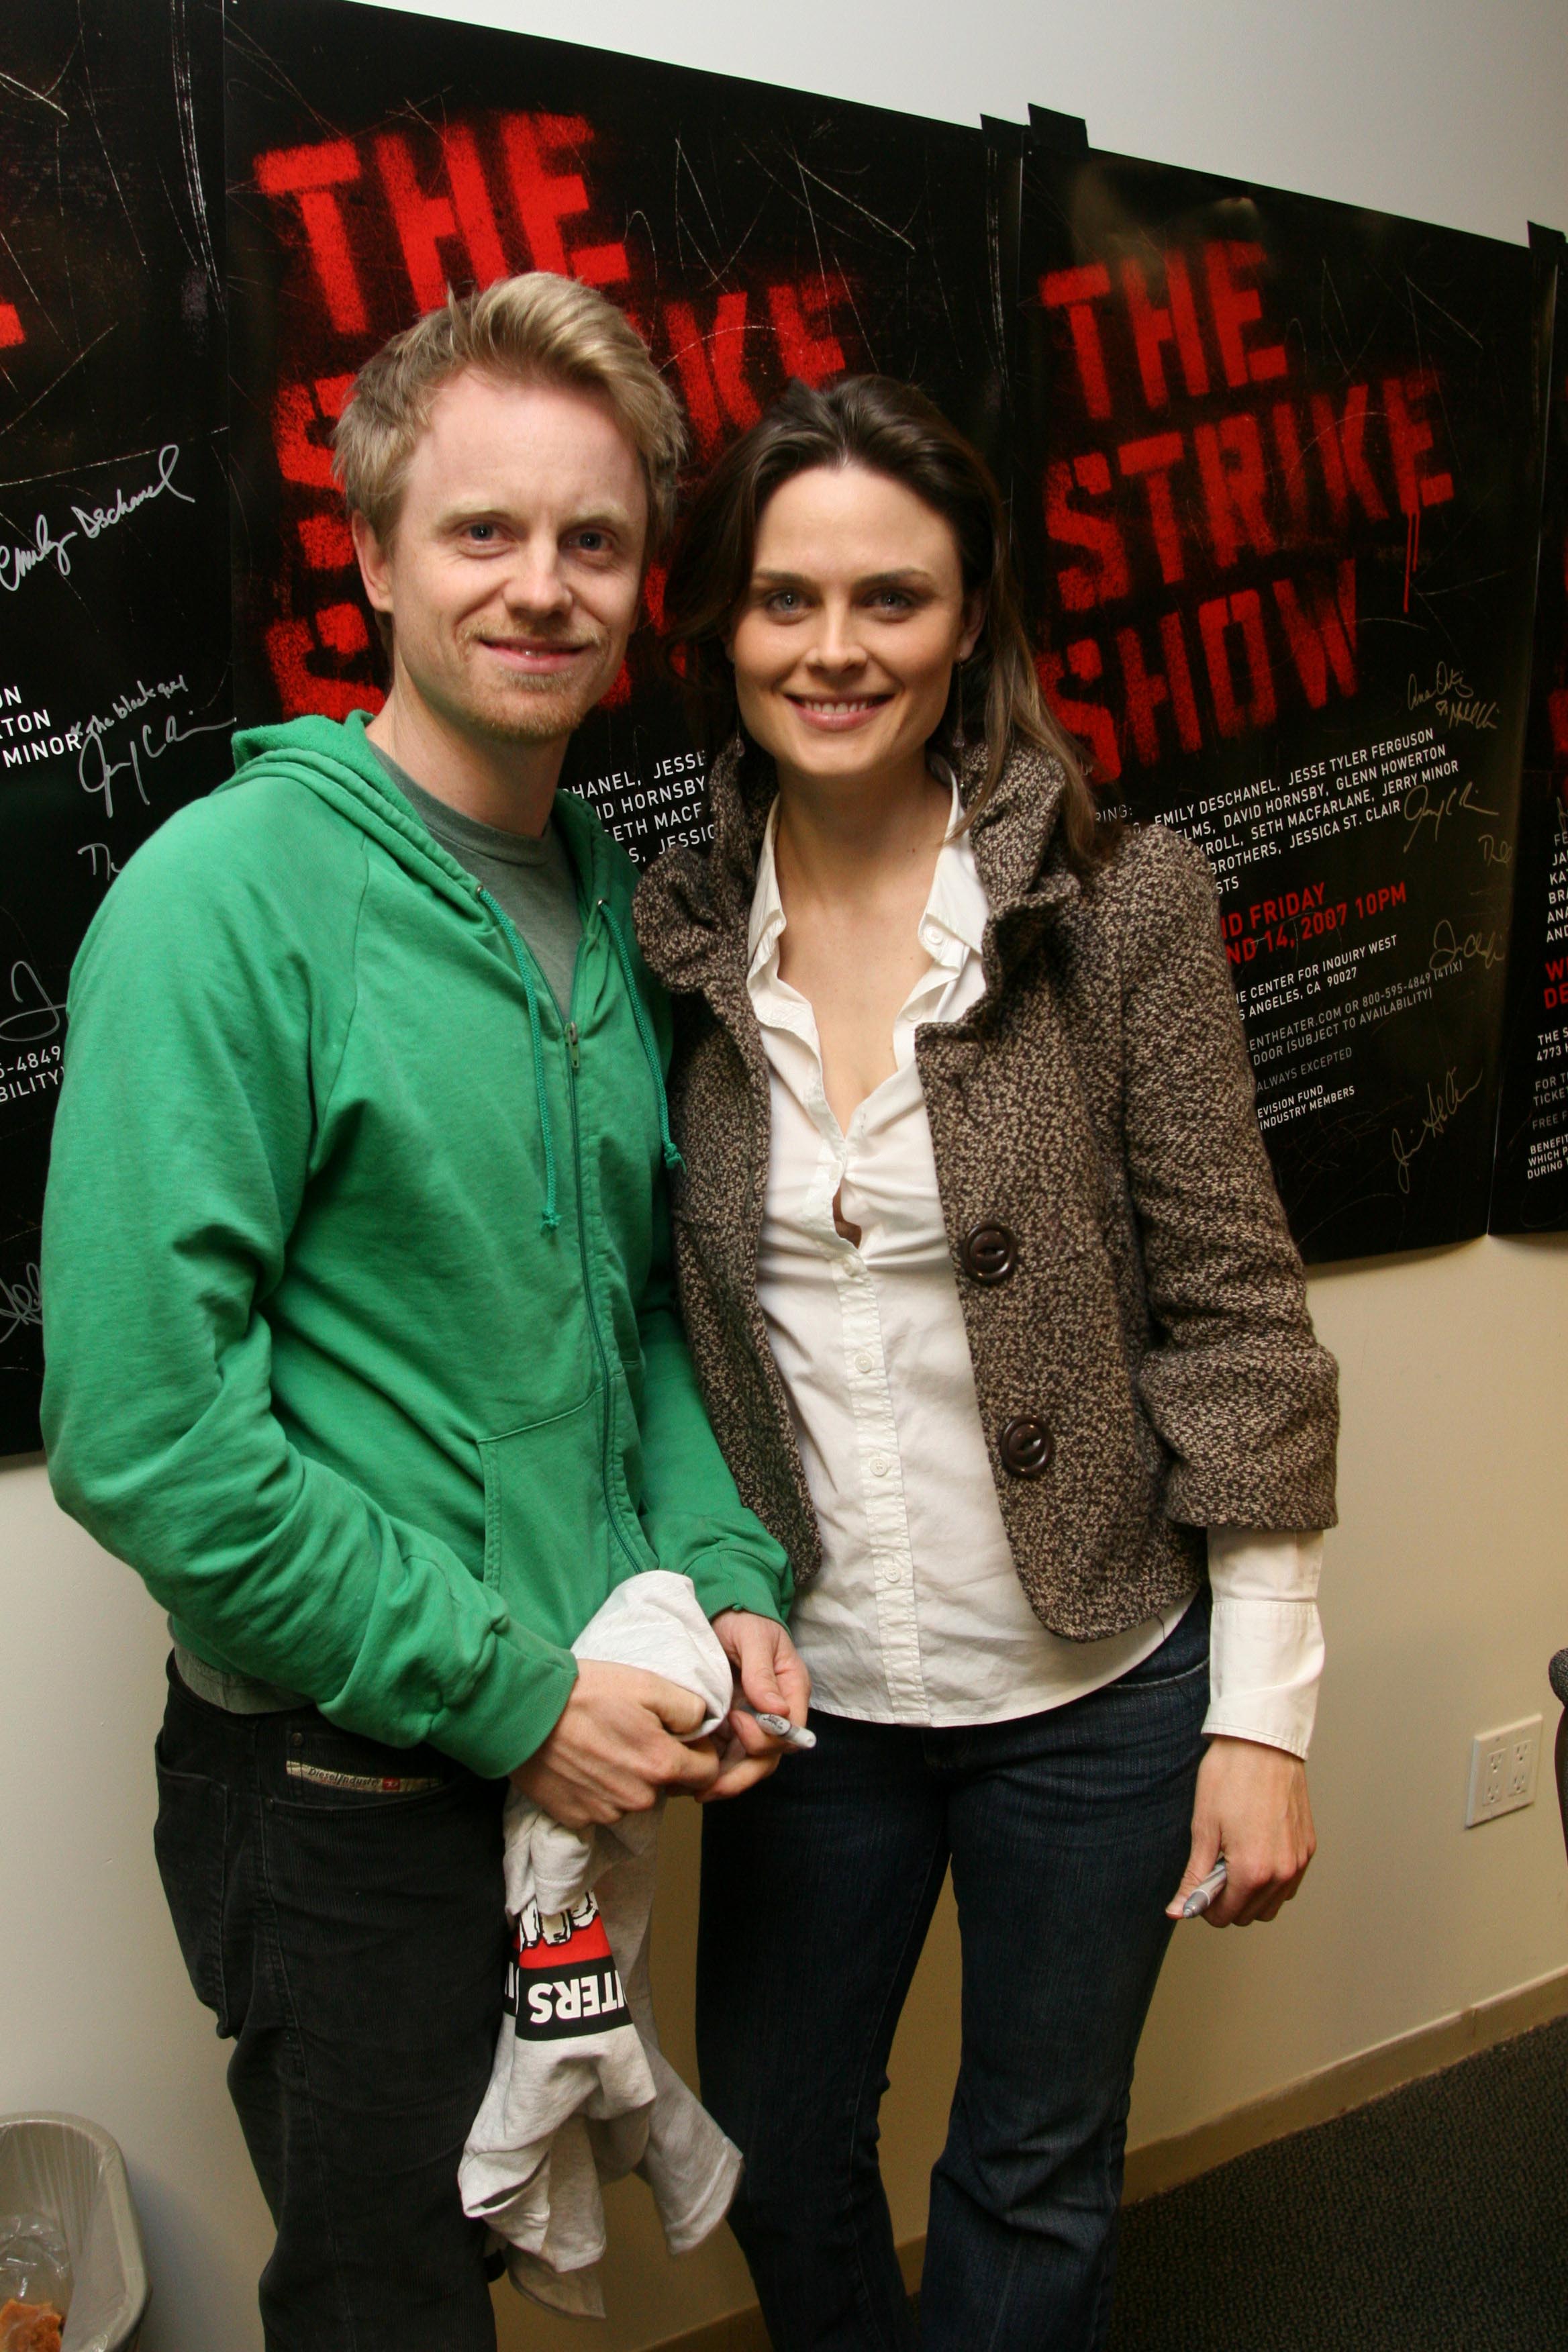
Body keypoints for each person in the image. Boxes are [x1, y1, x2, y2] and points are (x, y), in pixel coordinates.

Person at [40, 273, 806, 2352]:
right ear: (372, 551)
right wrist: (506, 1700)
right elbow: (147, 1436)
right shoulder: (226, 900)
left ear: (645, 579)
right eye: (481, 532)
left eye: (593, 541)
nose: (540, 589)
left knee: (495, 2246)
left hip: (556, 1768)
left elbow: (629, 1316)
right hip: (351, 1795)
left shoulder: (601, 904)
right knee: (389, 2302)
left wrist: (722, 1576)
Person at [633, 375, 1339, 2352]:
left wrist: (1263, 1718)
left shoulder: (1118, 907)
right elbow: (637, 1323)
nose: (836, 649)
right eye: (786, 600)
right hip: (812, 1697)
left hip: (1099, 1685)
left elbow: (1237, 1313)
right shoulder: (665, 940)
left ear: (970, 626)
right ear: (724, 630)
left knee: (1034, 2167)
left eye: (892, 598)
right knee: (776, 2148)